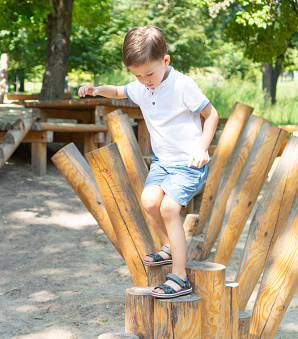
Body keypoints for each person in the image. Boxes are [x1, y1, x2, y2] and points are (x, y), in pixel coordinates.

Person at [78, 26, 219, 299]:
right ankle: (169, 248)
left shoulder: (182, 85)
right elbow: (119, 91)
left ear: (165, 61)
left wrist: (203, 147)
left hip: (189, 163)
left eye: (149, 74)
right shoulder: (143, 85)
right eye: (137, 75)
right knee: (149, 201)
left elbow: (211, 115)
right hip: (162, 162)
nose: (144, 81)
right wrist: (96, 89)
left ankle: (180, 277)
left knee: (168, 209)